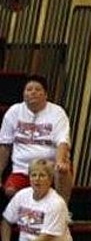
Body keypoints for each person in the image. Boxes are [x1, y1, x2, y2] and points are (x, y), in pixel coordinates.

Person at [0, 75, 74, 204]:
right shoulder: (14, 112)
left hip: (49, 168)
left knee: (62, 169)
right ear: (23, 94)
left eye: (38, 89)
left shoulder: (57, 112)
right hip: (23, 168)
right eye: (29, 89)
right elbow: (5, 145)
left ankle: (62, 209)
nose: (33, 92)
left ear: (46, 94)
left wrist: (60, 162)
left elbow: (62, 141)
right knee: (10, 191)